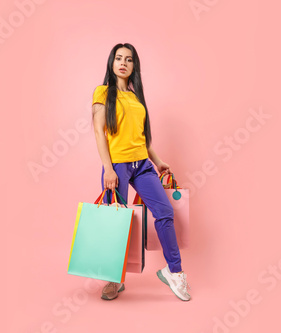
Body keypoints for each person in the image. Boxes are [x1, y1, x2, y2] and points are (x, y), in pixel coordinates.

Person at [91, 43, 190, 301]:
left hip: (142, 165)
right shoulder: (102, 93)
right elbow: (99, 135)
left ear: (134, 66)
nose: (123, 63)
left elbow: (142, 137)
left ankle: (175, 272)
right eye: (118, 58)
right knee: (116, 223)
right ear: (111, 63)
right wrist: (108, 169)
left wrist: (157, 161)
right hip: (118, 167)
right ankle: (114, 279)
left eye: (129, 59)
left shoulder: (136, 98)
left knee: (165, 213)